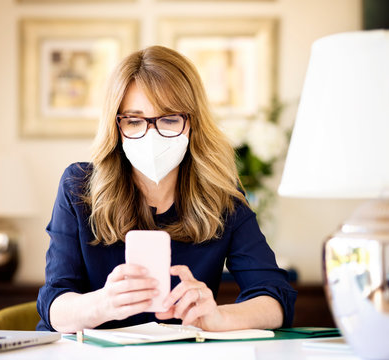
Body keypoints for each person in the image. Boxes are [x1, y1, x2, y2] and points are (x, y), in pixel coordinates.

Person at [36, 45, 297, 333]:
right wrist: (102, 304)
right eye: (134, 121)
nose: (151, 135)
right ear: (116, 125)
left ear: (192, 123)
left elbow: (276, 298)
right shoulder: (79, 187)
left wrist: (218, 318)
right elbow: (54, 304)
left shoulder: (221, 195)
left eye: (169, 119)